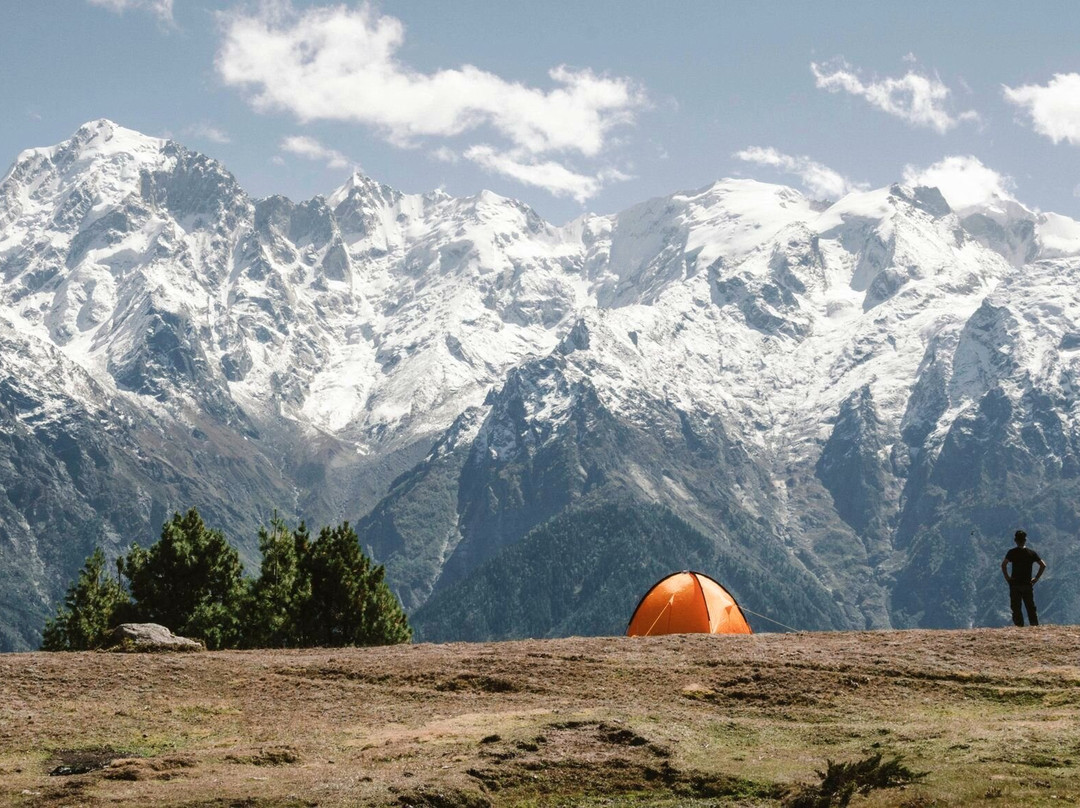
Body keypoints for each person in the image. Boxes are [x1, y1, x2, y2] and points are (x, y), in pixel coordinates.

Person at [1001, 530, 1046, 627]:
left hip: (1015, 584)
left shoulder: (1012, 553)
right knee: (1030, 607)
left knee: (1016, 608)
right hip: (1027, 584)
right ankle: (1034, 626)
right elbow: (1043, 565)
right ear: (1025, 540)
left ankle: (1019, 627)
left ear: (1015, 540)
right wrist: (1036, 578)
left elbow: (1004, 565)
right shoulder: (1031, 553)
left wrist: (1008, 578)